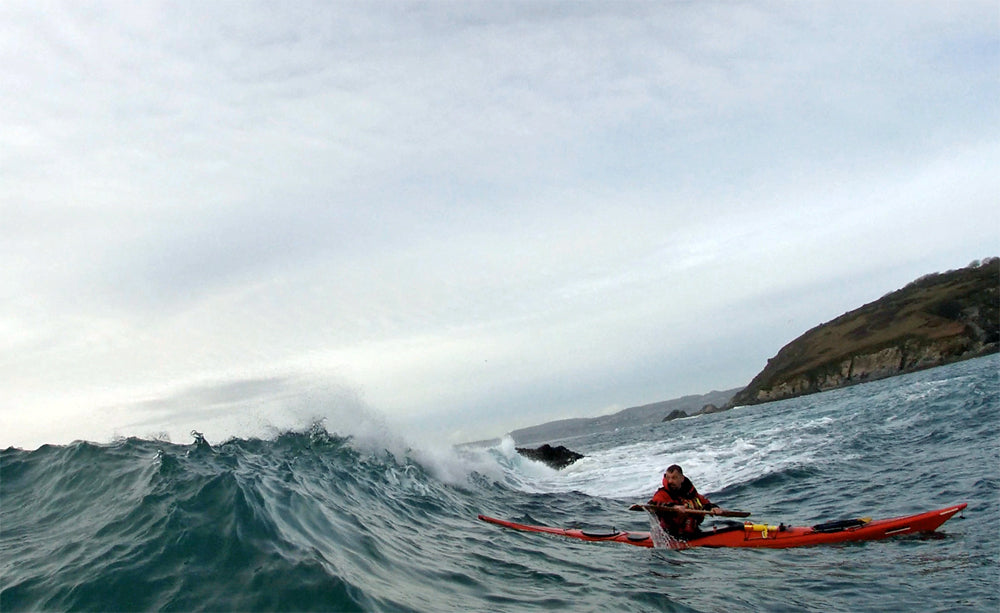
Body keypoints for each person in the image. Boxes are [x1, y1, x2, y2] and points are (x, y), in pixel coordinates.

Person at [646, 464, 727, 537]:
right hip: (670, 536)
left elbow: (704, 502)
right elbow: (654, 505)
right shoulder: (662, 494)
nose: (670, 481)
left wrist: (713, 508)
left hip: (693, 532)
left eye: (674, 478)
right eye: (668, 478)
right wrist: (673, 507)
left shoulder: (691, 493)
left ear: (682, 478)